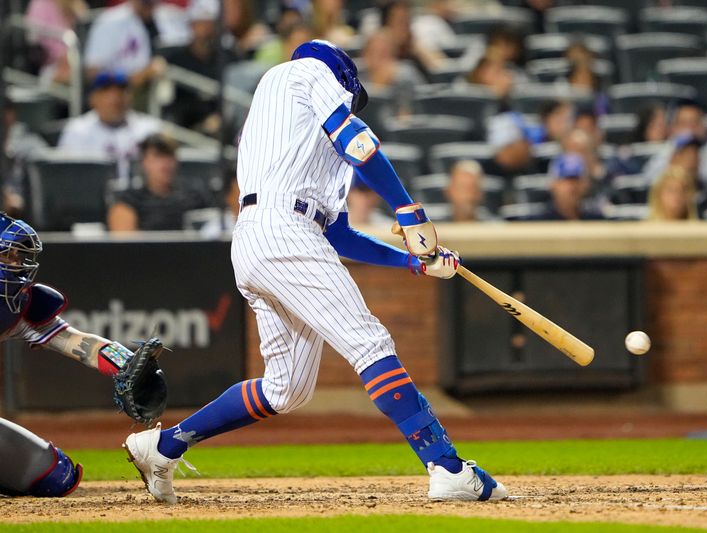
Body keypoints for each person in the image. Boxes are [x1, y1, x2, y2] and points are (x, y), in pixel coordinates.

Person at [122, 39, 507, 504]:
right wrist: (408, 210)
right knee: (370, 343)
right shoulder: (303, 72)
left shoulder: (298, 138)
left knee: (287, 389)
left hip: (261, 237)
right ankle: (446, 467)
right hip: (283, 229)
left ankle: (163, 447)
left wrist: (412, 262)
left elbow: (339, 235)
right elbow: (360, 144)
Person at [0, 213, 164, 497]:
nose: (18, 265)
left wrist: (125, 364)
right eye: (9, 255)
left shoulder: (15, 308)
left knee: (56, 475)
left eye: (18, 256)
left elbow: (75, 341)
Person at [57, 70, 160, 186]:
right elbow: (68, 178)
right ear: (93, 98)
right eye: (106, 91)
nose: (115, 98)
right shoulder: (77, 131)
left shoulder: (149, 130)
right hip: (93, 197)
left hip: (140, 199)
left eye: (121, 91)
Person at [107, 134, 211, 231]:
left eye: (169, 156)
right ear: (143, 162)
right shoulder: (128, 201)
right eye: (158, 156)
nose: (165, 163)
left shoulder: (194, 196)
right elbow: (124, 245)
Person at [162, 0, 235, 134]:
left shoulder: (228, 56)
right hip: (184, 119)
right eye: (200, 23)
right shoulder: (176, 57)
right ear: (191, 25)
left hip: (217, 117)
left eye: (210, 24)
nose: (206, 30)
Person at [82, 0, 167, 90]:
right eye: (145, 2)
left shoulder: (164, 18)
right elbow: (92, 72)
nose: (149, 6)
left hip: (148, 87)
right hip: (114, 88)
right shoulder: (111, 21)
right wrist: (128, 79)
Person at [25, 0, 88, 85]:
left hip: (80, 61)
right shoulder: (40, 4)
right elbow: (36, 41)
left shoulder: (77, 5)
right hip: (50, 66)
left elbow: (85, 35)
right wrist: (63, 57)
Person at [533, 153, 603, 221]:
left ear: (585, 184)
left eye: (576, 179)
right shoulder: (539, 222)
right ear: (553, 184)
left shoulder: (597, 221)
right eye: (565, 179)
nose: (572, 186)